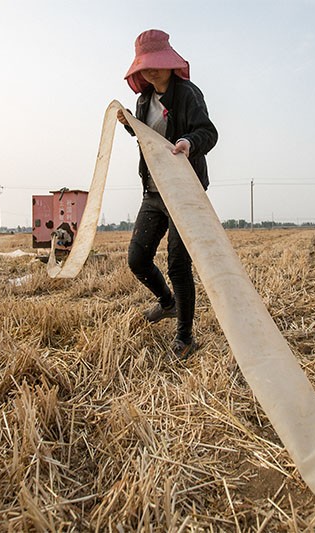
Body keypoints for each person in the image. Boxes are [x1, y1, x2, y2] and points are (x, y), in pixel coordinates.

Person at [117, 29, 218, 359]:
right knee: (137, 258)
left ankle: (185, 336)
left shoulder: (187, 95)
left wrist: (189, 142)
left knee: (178, 265)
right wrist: (130, 123)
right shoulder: (143, 100)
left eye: (156, 64)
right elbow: (148, 135)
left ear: (169, 62)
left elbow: (207, 131)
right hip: (153, 190)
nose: (150, 71)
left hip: (184, 191)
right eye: (144, 66)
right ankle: (167, 302)